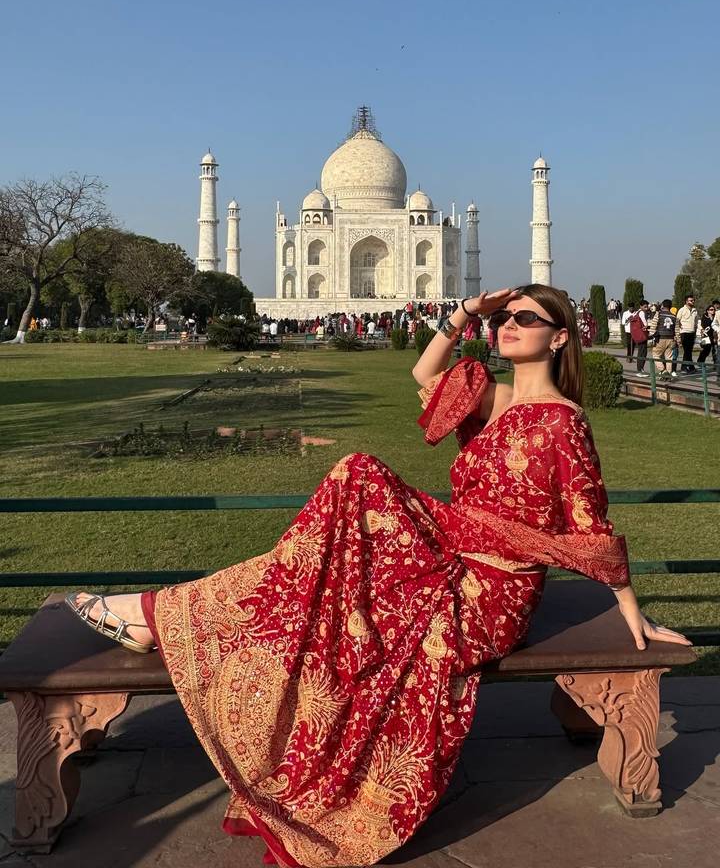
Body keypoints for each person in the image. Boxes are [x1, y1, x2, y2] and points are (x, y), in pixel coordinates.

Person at [64, 284, 691, 868]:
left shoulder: (563, 422)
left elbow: (590, 526)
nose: (508, 325)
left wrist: (629, 609)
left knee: (357, 477)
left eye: (526, 318)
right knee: (331, 587)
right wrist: (464, 314)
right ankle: (159, 615)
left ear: (560, 337)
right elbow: (423, 373)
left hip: (493, 590)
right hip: (446, 559)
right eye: (505, 316)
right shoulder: (491, 398)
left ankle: (156, 614)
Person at [649, 299, 678, 380]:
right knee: (669, 357)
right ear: (670, 307)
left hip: (660, 338)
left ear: (662, 306)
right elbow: (677, 330)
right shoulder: (674, 316)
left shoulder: (658, 314)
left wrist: (651, 336)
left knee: (656, 355)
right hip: (671, 339)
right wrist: (678, 340)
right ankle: (668, 374)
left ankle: (663, 370)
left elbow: (653, 326)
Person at [675, 295, 698, 373]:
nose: (692, 301)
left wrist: (695, 332)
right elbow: (677, 321)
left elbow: (696, 323)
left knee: (689, 351)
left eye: (693, 300)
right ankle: (685, 367)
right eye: (691, 300)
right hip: (684, 332)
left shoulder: (695, 310)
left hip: (692, 333)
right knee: (687, 351)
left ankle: (690, 367)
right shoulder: (682, 310)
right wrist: (678, 334)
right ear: (686, 301)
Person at [630, 300, 650, 377]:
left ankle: (640, 369)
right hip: (642, 335)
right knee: (642, 353)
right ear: (641, 306)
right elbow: (645, 324)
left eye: (647, 307)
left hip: (637, 335)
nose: (646, 308)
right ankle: (640, 370)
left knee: (640, 352)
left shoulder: (636, 312)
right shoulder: (641, 313)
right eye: (645, 307)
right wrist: (648, 326)